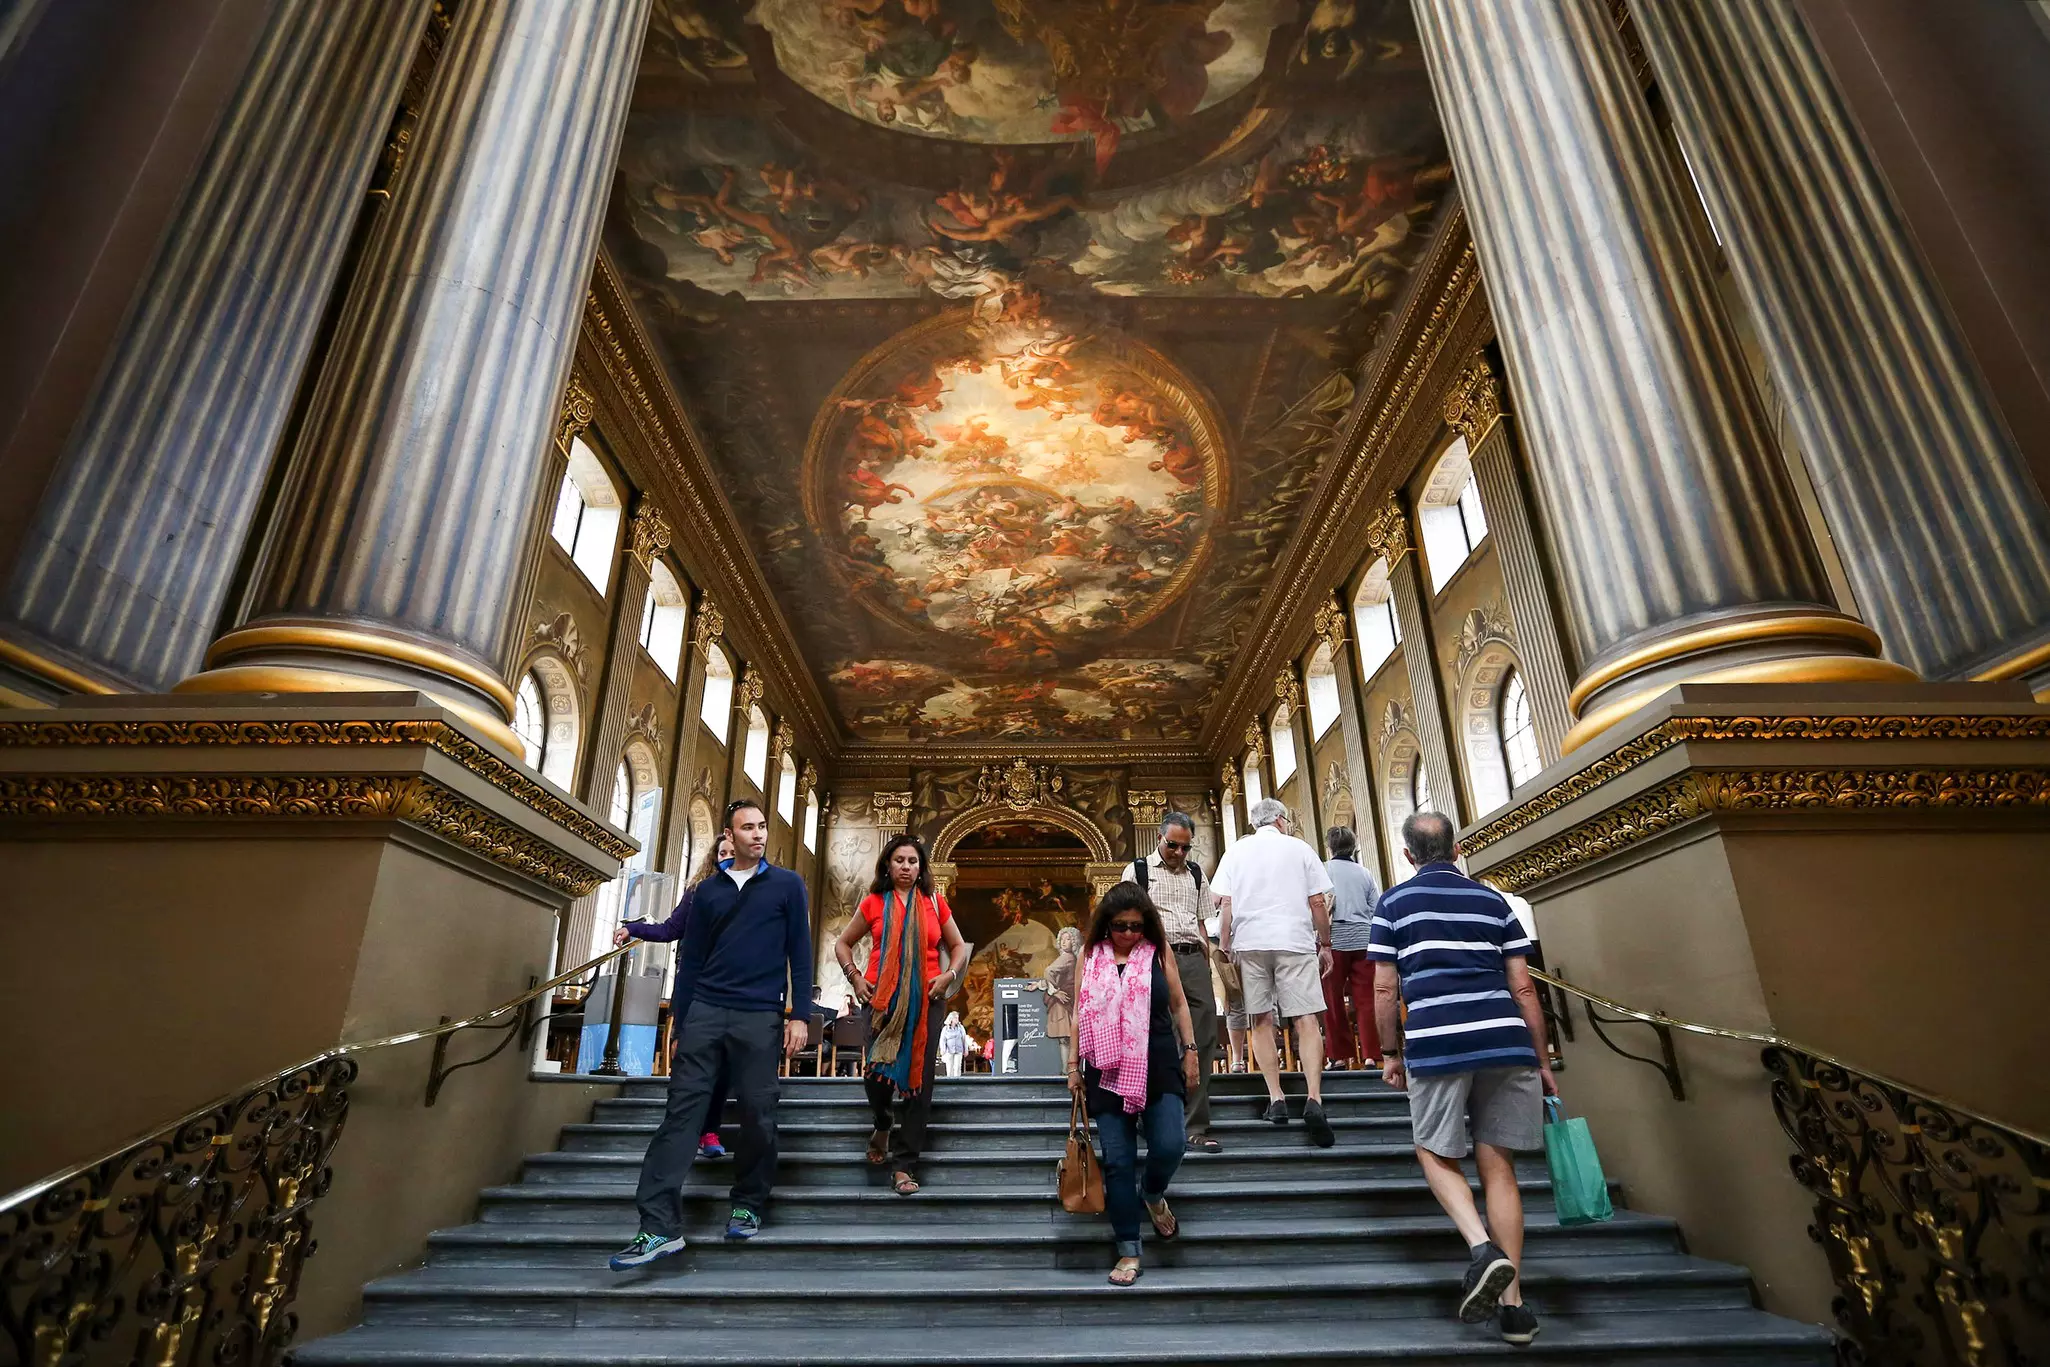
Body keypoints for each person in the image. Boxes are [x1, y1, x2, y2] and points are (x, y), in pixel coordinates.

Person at [1370, 811, 1556, 1346]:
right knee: (1499, 1167)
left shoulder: (1395, 903)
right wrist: (1541, 1059)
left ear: (1408, 855)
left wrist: (1389, 1053)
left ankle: (1481, 1247)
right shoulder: (1493, 900)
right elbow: (1523, 988)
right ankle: (1516, 1308)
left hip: (1439, 1040)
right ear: (1456, 848)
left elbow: (1385, 989)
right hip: (1505, 1039)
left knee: (1433, 1149)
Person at [610, 800, 810, 1269]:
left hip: (759, 1015)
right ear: (729, 834)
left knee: (759, 1113)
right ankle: (657, 1227)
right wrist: (683, 1019)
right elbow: (692, 959)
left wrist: (798, 1015)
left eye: (762, 827)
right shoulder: (706, 892)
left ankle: (748, 1203)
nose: (758, 835)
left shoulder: (787, 885)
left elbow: (799, 953)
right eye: (748, 828)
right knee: (681, 1116)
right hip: (705, 1011)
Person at [1068, 883, 1201, 1287]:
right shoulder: (1089, 957)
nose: (1128, 934)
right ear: (1106, 925)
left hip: (1158, 1058)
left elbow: (1178, 1002)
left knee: (1170, 1143)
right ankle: (1128, 1249)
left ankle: (1154, 1191)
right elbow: (1078, 1011)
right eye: (1120, 926)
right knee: (1119, 1161)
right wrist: (1073, 1066)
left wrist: (1191, 1049)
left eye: (1136, 926)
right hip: (1105, 1067)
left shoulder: (1158, 953)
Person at [832, 833, 969, 1196]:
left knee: (920, 1084)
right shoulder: (874, 903)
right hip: (880, 1000)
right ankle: (882, 1119)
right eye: (899, 861)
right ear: (887, 866)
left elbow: (957, 947)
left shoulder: (935, 904)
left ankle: (904, 1165)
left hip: (927, 1001)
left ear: (921, 867)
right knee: (876, 1076)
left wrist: (949, 975)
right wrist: (855, 978)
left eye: (912, 861)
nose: (906, 867)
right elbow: (842, 943)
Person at [1212, 798, 1337, 1146]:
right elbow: (1317, 902)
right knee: (1306, 1019)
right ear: (1281, 820)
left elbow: (1225, 903)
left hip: (1250, 942)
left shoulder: (1237, 851)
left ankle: (1276, 1098)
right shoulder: (1299, 848)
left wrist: (1225, 945)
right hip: (1294, 940)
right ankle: (1314, 1097)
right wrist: (1325, 944)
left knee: (1261, 1020)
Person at [618, 833, 736, 1158]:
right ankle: (684, 1127)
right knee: (688, 1059)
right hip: (695, 987)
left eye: (733, 853)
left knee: (723, 1063)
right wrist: (635, 929)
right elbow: (670, 929)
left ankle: (710, 1131)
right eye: (722, 852)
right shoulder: (697, 893)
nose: (728, 858)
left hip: (731, 989)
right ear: (714, 858)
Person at [1121, 812, 1222, 1152]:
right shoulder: (1138, 871)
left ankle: (1195, 1124)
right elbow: (1125, 922)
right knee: (1153, 1036)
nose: (1179, 853)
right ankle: (1150, 1117)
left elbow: (1202, 919)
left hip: (1192, 956)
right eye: (1173, 845)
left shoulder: (1195, 873)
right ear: (1159, 839)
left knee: (1203, 1036)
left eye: (1185, 847)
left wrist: (1206, 955)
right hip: (1153, 957)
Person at [1319, 825, 1383, 1071]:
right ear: (1353, 846)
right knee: (1366, 998)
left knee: (1332, 1000)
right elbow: (1376, 908)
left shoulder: (1324, 870)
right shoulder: (1365, 873)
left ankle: (1338, 1056)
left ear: (1330, 847)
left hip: (1333, 940)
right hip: (1364, 938)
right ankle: (1370, 1055)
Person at [1042, 925, 1082, 1071]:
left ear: (1075, 941)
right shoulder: (1073, 958)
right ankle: (1070, 1068)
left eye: (1068, 939)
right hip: (1068, 999)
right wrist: (1055, 990)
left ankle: (1067, 1069)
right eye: (1062, 939)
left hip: (1065, 1001)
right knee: (1069, 1037)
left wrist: (1054, 990)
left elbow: (1048, 971)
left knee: (1066, 1038)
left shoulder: (1067, 958)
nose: (1064, 942)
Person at [938, 1010, 976, 1077]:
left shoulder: (961, 1028)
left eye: (957, 1018)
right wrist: (943, 1049)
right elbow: (942, 1040)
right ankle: (950, 1081)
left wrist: (966, 1050)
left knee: (957, 1067)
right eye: (955, 1018)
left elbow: (964, 1039)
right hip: (949, 1051)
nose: (957, 1019)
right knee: (949, 1067)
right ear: (951, 1019)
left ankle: (957, 1080)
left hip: (959, 1050)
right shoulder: (945, 1029)